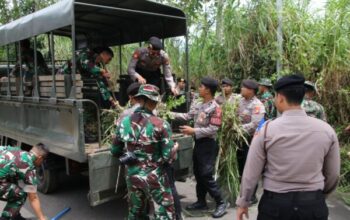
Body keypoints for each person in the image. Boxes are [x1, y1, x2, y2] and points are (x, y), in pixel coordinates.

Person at [236, 74, 340, 220]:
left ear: (280, 97)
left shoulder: (266, 130)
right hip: (312, 205)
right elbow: (333, 174)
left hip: (275, 206)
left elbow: (251, 172)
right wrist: (320, 195)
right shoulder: (327, 130)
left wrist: (243, 202)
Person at [111, 84, 176, 219]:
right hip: (154, 177)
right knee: (164, 213)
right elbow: (167, 157)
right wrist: (175, 148)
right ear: (155, 102)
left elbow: (115, 150)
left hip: (132, 175)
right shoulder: (161, 124)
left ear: (139, 100)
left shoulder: (123, 122)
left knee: (136, 213)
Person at [171, 77, 227, 218]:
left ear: (208, 90)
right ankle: (201, 201)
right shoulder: (198, 104)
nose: (199, 88)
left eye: (201, 86)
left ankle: (221, 202)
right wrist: (168, 113)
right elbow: (187, 116)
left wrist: (193, 131)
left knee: (206, 174)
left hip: (208, 144)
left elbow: (213, 129)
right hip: (199, 143)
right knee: (198, 172)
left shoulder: (215, 108)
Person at [0, 143, 49, 220]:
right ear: (40, 158)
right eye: (43, 160)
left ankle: (14, 214)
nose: (41, 163)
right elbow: (33, 198)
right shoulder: (29, 167)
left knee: (13, 179)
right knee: (20, 194)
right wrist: (42, 218)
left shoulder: (15, 150)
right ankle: (6, 218)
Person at [236, 79, 265, 204]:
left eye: (244, 87)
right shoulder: (239, 101)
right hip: (238, 138)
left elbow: (255, 124)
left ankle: (252, 195)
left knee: (250, 167)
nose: (241, 89)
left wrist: (237, 128)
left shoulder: (257, 105)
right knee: (239, 166)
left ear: (251, 90)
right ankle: (242, 192)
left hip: (251, 140)